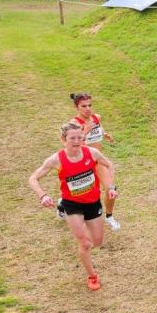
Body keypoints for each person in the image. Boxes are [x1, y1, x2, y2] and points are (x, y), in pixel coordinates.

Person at [29, 122, 118, 291]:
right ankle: (92, 276)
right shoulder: (55, 159)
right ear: (63, 139)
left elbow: (109, 165)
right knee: (85, 244)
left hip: (92, 203)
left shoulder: (92, 153)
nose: (77, 141)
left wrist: (111, 187)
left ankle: (84, 234)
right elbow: (33, 178)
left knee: (97, 241)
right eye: (72, 138)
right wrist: (43, 195)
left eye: (80, 137)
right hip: (72, 205)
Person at [70, 93, 120, 230]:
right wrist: (85, 132)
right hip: (83, 164)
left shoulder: (95, 117)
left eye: (89, 105)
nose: (88, 109)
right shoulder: (74, 124)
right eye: (83, 106)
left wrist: (105, 134)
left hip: (98, 161)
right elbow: (73, 146)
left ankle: (109, 217)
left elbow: (99, 127)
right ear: (77, 107)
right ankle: (63, 206)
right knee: (81, 195)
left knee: (111, 188)